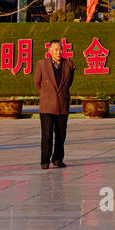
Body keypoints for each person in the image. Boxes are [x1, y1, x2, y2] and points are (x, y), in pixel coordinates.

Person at [34, 39, 75, 169]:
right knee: (47, 135)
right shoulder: (42, 64)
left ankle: (57, 159)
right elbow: (37, 82)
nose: (59, 52)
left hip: (62, 104)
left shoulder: (68, 65)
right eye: (56, 49)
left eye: (60, 49)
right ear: (50, 51)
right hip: (47, 105)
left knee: (61, 134)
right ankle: (45, 161)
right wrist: (47, 95)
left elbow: (69, 83)